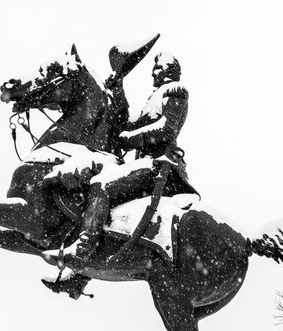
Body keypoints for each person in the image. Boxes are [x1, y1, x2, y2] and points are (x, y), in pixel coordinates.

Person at [42, 52, 196, 298]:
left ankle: (83, 249)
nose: (155, 72)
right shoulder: (152, 100)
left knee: (101, 185)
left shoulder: (175, 91)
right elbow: (128, 123)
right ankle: (80, 278)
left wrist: (132, 139)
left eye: (161, 67)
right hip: (147, 165)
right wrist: (120, 88)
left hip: (158, 165)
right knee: (111, 213)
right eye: (154, 68)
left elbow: (166, 129)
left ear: (173, 70)